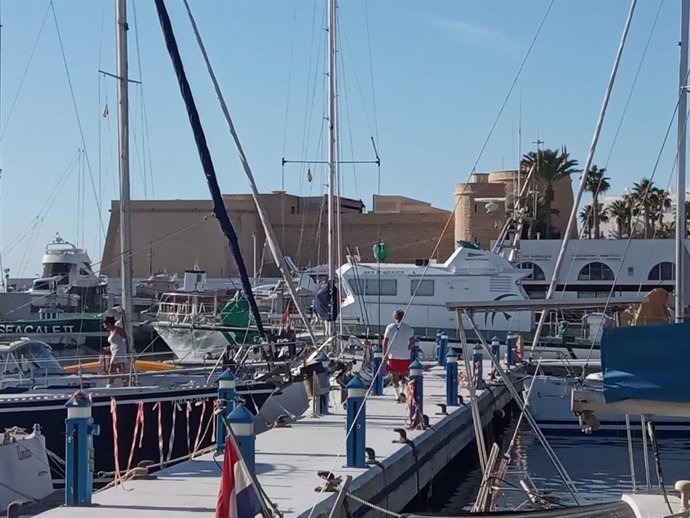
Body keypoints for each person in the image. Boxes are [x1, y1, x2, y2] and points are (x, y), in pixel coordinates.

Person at [383, 309, 415, 402]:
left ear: (394, 317)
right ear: (403, 317)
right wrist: (409, 348)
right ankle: (402, 392)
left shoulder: (390, 327)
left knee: (395, 377)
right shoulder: (409, 328)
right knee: (405, 375)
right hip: (405, 355)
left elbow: (385, 341)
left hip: (393, 356)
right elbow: (412, 342)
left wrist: (384, 354)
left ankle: (397, 396)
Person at [103, 316, 128, 387]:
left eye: (105, 325)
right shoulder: (111, 331)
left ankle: (109, 386)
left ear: (109, 324)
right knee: (120, 370)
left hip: (118, 351)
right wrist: (108, 348)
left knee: (112, 369)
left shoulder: (118, 330)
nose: (104, 327)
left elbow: (126, 338)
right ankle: (125, 384)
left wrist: (128, 348)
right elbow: (114, 343)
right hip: (114, 351)